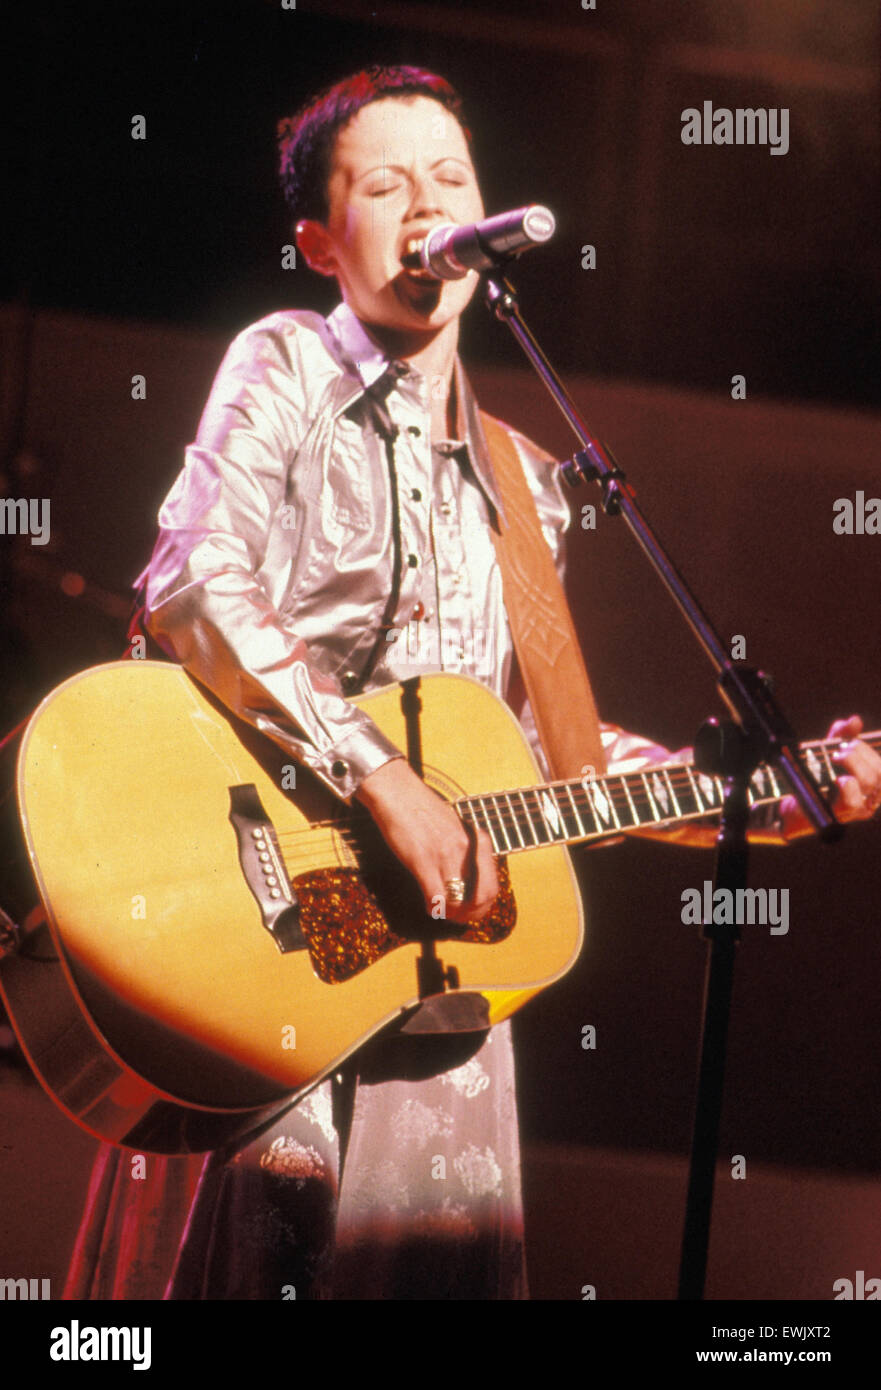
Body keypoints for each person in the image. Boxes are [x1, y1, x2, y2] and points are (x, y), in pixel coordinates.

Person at [63, 65, 881, 1301]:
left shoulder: (525, 479)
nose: (424, 202)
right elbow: (193, 585)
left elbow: (541, 755)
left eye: (448, 178)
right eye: (382, 184)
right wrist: (377, 773)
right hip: (253, 927)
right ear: (319, 242)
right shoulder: (284, 365)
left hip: (435, 981)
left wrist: (759, 794)